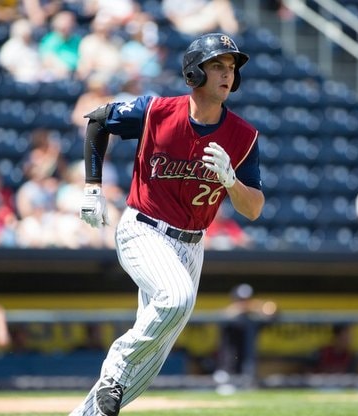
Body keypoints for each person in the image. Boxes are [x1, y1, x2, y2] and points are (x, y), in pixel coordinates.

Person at [72, 32, 264, 416]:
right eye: (216, 66)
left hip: (192, 246)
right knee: (176, 299)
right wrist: (93, 187)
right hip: (143, 229)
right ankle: (115, 366)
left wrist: (232, 182)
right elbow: (97, 122)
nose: (227, 74)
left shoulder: (243, 136)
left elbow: (254, 208)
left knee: (147, 370)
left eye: (231, 68)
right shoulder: (157, 111)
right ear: (194, 73)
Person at [215, 284, 277, 378]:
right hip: (228, 367)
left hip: (248, 365)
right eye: (240, 300)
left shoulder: (254, 315)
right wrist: (241, 309)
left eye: (246, 300)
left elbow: (272, 312)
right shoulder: (230, 313)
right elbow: (225, 315)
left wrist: (258, 307)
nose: (244, 303)